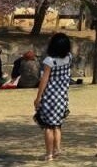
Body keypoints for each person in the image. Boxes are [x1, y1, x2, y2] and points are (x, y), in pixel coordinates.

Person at [34, 32, 73, 161]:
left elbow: (44, 80)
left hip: (50, 98)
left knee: (48, 127)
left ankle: (49, 154)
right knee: (57, 125)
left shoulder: (49, 61)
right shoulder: (69, 57)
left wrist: (38, 97)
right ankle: (57, 150)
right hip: (62, 97)